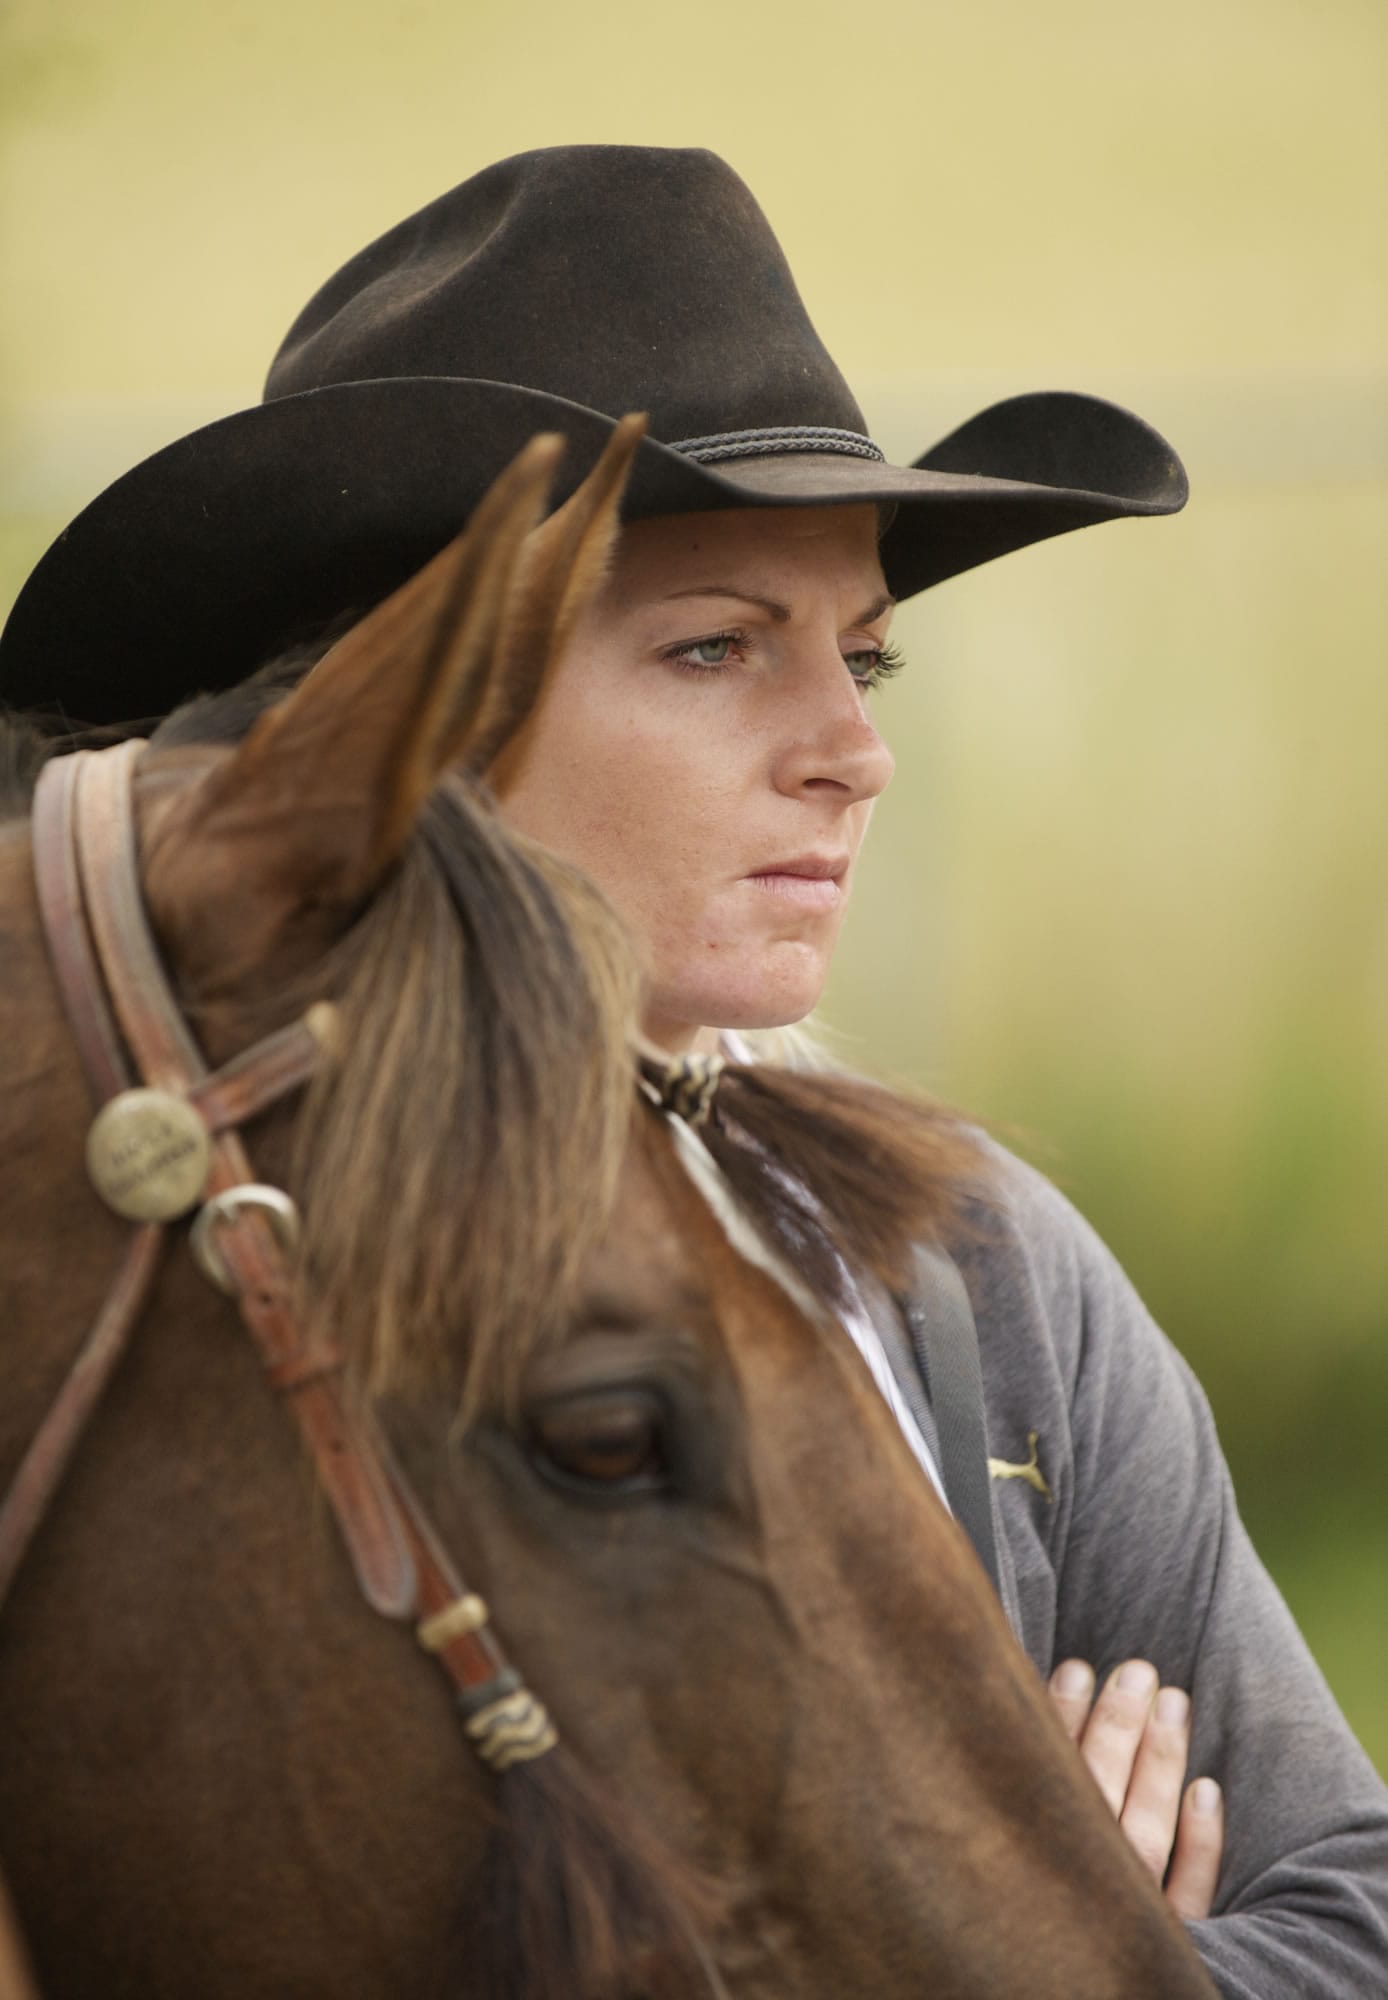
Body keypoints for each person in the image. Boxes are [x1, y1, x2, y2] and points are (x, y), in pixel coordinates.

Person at [2, 145, 1385, 1996]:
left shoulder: (981, 1270)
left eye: (866, 666)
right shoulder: (195, 1285)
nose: (850, 751)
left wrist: (1041, 1945)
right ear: (404, 722)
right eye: (719, 644)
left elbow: (1353, 1917)